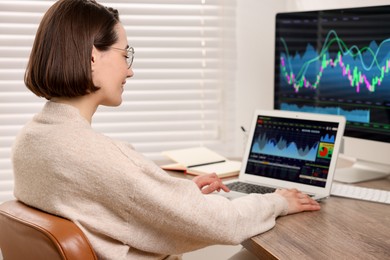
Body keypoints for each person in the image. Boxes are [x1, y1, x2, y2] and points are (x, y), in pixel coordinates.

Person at [12, 0, 321, 259]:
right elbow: (225, 224)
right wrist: (278, 201)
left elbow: (100, 203)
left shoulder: (30, 140)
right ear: (93, 56)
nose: (129, 70)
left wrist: (175, 193)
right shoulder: (99, 156)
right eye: (125, 54)